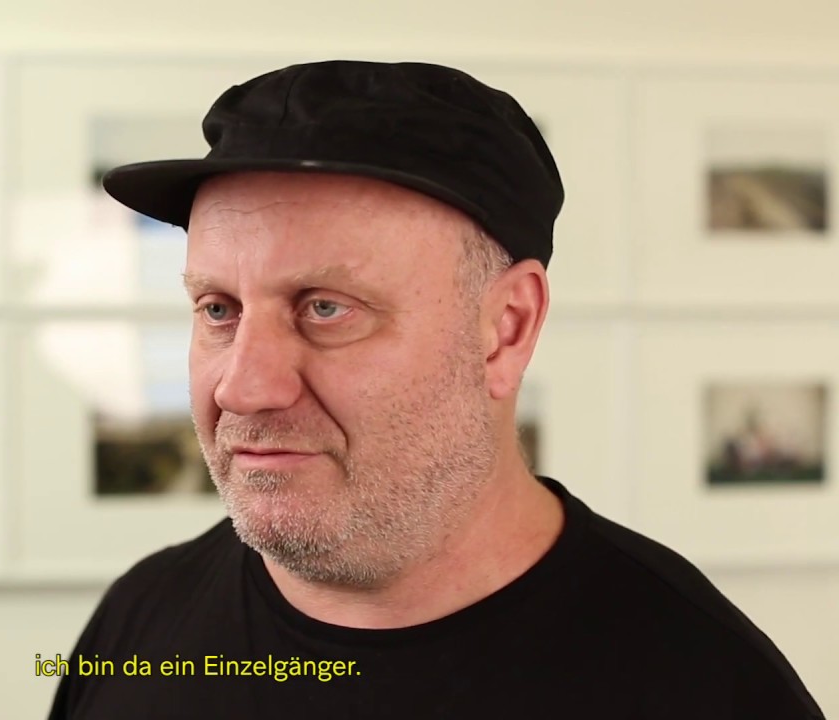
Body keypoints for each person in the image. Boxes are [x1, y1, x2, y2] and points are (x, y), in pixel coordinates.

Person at [47, 60, 826, 719]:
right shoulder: (142, 624)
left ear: (507, 329)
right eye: (219, 310)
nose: (246, 386)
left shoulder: (704, 687)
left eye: (326, 309)